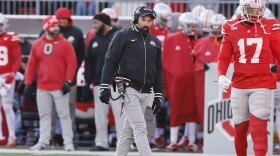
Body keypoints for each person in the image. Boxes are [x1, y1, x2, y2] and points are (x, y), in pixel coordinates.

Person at [217, 0, 280, 155]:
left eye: (259, 9)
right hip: (239, 83)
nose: (256, 13)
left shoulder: (270, 25)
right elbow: (224, 56)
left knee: (259, 128)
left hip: (261, 81)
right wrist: (221, 75)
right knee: (239, 128)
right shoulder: (231, 27)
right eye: (252, 8)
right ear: (244, 8)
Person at [99, 6, 163, 156]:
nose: (147, 23)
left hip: (147, 91)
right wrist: (104, 86)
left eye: (149, 20)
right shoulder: (122, 36)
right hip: (128, 89)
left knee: (128, 133)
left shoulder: (155, 41)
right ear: (135, 20)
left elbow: (158, 70)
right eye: (143, 20)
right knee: (140, 127)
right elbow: (110, 61)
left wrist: (158, 94)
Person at [25, 16, 77, 151]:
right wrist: (28, 83)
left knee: (64, 115)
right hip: (42, 86)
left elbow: (72, 64)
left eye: (57, 26)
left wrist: (68, 81)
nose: (56, 28)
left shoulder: (65, 43)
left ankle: (68, 143)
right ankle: (43, 141)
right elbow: (31, 64)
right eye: (53, 26)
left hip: (59, 86)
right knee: (44, 115)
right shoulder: (37, 44)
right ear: (46, 27)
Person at [84, 12, 123, 151]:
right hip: (99, 83)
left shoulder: (119, 36)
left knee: (120, 114)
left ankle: (122, 144)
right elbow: (88, 63)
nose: (93, 26)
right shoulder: (93, 40)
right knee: (100, 115)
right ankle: (101, 142)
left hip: (117, 82)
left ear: (104, 22)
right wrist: (86, 82)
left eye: (96, 23)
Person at [163, 12, 199, 152]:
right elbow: (165, 62)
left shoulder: (196, 40)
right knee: (176, 110)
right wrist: (167, 82)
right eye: (191, 25)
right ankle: (173, 140)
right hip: (176, 83)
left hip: (193, 82)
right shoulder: (171, 39)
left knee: (192, 111)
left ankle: (191, 140)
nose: (193, 28)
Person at [193, 14, 227, 151]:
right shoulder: (201, 42)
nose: (217, 31)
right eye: (214, 28)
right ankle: (203, 137)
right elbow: (196, 62)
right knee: (203, 108)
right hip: (205, 83)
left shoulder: (229, 42)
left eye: (219, 28)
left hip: (222, 84)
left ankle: (221, 138)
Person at [52, 7, 85, 142]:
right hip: (52, 79)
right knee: (51, 110)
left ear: (69, 19)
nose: (62, 22)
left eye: (64, 19)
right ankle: (49, 137)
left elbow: (80, 55)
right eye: (60, 19)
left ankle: (69, 137)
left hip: (70, 78)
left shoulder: (76, 33)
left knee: (70, 110)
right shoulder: (50, 31)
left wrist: (72, 75)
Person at [0, 13, 21, 147]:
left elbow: (17, 58)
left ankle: (12, 136)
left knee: (7, 106)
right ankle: (1, 136)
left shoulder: (10, 37)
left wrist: (12, 74)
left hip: (6, 75)